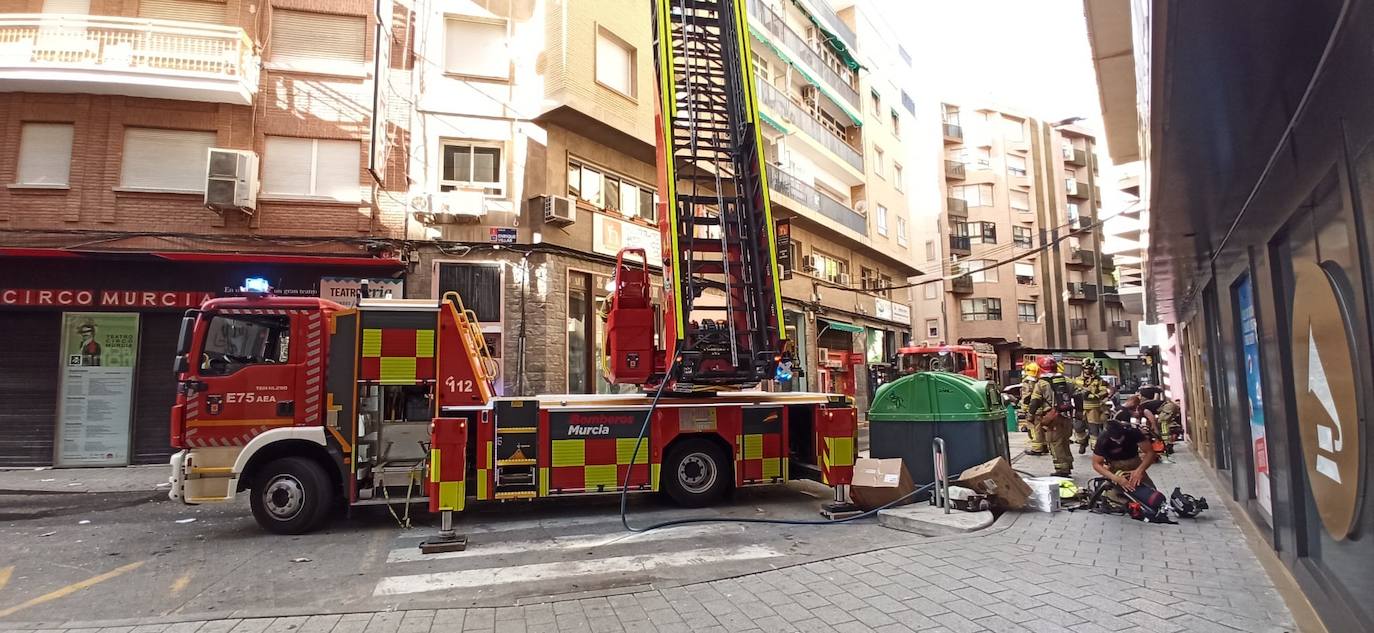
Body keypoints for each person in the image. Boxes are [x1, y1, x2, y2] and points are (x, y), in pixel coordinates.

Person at [1092, 413, 1157, 504]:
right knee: (1114, 498)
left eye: (1121, 438)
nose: (1119, 442)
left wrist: (1139, 471)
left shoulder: (1133, 432)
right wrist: (1115, 478)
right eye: (1116, 440)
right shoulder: (1103, 439)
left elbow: (1150, 453)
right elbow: (1096, 464)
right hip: (1115, 467)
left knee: (1151, 494)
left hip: (1135, 463)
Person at [1026, 355, 1074, 476]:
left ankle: (1061, 469)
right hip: (1067, 416)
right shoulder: (1067, 381)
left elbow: (1035, 401)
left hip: (1052, 418)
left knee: (1055, 443)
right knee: (1065, 441)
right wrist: (1078, 412)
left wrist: (1030, 415)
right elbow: (1079, 395)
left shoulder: (1041, 384)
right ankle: (1068, 465)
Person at [1078, 361, 1110, 454]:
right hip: (1079, 408)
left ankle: (1095, 448)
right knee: (1078, 428)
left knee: (1094, 428)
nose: (1087, 370)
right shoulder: (1076, 379)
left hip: (1093, 408)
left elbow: (1104, 391)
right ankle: (1082, 442)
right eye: (1086, 368)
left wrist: (1095, 396)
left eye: (1090, 368)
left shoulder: (1099, 380)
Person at [1019, 360, 1047, 455]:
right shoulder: (1041, 382)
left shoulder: (1027, 383)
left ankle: (1037, 449)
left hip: (1032, 409)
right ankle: (1044, 446)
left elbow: (1026, 397)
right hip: (1041, 409)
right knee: (1041, 429)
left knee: (1034, 429)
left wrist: (1024, 409)